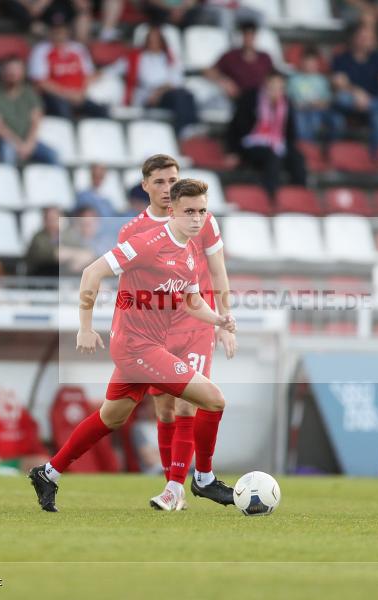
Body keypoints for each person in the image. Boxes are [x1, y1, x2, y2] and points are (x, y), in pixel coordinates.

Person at [28, 178, 236, 513]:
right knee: (213, 400)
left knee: (111, 417)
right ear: (172, 210)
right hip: (136, 347)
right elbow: (91, 272)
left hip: (148, 346)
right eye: (189, 212)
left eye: (202, 211)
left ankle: (47, 473)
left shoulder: (188, 251)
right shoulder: (148, 243)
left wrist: (218, 320)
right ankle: (204, 479)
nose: (197, 219)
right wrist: (85, 327)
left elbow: (191, 299)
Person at [114, 155, 235, 511]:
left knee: (188, 404)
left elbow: (218, 270)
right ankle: (176, 487)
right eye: (162, 182)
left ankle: (177, 486)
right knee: (164, 410)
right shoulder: (135, 231)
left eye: (173, 181)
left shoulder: (204, 220)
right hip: (158, 327)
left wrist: (225, 320)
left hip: (197, 321)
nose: (168, 189)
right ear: (147, 186)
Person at [107, 23, 199, 137]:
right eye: (150, 40)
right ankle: (182, 131)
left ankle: (189, 128)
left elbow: (176, 81)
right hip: (147, 97)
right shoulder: (135, 57)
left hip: (164, 94)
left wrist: (159, 92)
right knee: (179, 96)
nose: (153, 43)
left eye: (156, 40)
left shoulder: (169, 58)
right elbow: (112, 70)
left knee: (187, 95)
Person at [227, 71, 307, 198]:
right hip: (252, 144)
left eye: (280, 88)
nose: (276, 91)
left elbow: (290, 133)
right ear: (266, 86)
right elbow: (235, 127)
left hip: (277, 144)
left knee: (298, 158)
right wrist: (233, 151)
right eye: (273, 87)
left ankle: (299, 197)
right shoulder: (251, 99)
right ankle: (271, 197)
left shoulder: (286, 104)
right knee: (272, 157)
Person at [331, 24, 378, 156]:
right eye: (363, 37)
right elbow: (339, 82)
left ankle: (376, 157)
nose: (367, 40)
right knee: (342, 98)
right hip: (351, 101)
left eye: (369, 37)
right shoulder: (342, 57)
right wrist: (357, 93)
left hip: (372, 102)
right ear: (354, 38)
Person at [28, 13, 107, 120]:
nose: (59, 35)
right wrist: (67, 94)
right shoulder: (41, 50)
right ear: (50, 32)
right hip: (55, 96)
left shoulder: (78, 49)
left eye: (62, 31)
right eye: (56, 31)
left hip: (79, 95)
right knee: (63, 110)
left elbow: (89, 75)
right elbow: (41, 82)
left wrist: (81, 93)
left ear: (68, 32)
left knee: (102, 112)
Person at [0, 56, 59, 166]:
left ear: (23, 72)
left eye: (16, 70)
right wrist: (18, 144)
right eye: (9, 70)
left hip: (28, 141)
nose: (12, 73)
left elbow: (36, 121)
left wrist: (29, 144)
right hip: (7, 141)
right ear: (3, 72)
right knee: (7, 153)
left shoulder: (30, 94)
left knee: (53, 155)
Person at [206, 20, 274, 100]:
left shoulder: (264, 57)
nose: (249, 39)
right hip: (238, 99)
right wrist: (224, 82)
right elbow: (209, 71)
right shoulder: (230, 57)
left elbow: (273, 76)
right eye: (246, 35)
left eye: (251, 35)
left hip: (260, 100)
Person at [287, 46, 334, 142]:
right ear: (302, 62)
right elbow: (289, 98)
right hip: (299, 111)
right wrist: (297, 104)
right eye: (307, 62)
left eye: (312, 62)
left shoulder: (322, 80)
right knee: (300, 118)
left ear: (317, 64)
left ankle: (312, 147)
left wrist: (318, 104)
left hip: (317, 111)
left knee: (315, 117)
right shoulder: (294, 80)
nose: (310, 65)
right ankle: (304, 146)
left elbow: (327, 101)